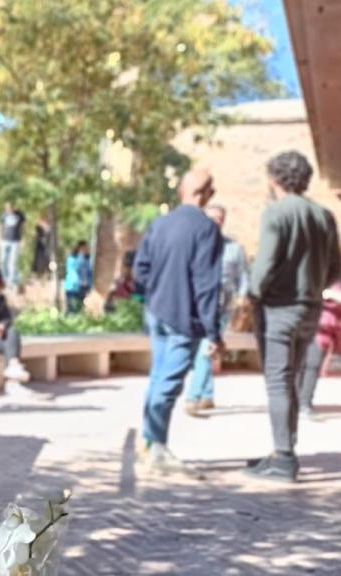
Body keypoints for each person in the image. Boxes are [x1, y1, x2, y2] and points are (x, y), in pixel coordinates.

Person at [247, 151, 341, 482]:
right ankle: (282, 449)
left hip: (278, 308)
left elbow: (264, 266)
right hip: (310, 309)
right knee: (292, 378)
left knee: (277, 381)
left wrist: (254, 294)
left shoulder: (276, 213)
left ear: (276, 179)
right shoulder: (324, 215)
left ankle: (284, 458)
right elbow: (335, 270)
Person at [134, 168, 223, 473]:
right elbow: (207, 284)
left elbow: (140, 271)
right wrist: (214, 331)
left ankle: (148, 442)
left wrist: (155, 295)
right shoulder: (206, 229)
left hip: (157, 312)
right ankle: (156, 448)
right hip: (184, 318)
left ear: (182, 191)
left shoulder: (160, 224)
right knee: (168, 383)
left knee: (158, 377)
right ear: (207, 194)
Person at [184, 204, 250, 415]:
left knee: (207, 349)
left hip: (222, 305)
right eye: (212, 217)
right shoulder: (194, 245)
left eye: (220, 218)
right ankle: (207, 394)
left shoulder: (234, 248)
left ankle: (192, 398)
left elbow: (244, 276)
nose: (216, 221)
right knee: (198, 350)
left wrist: (241, 299)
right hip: (196, 305)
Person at [298, 281, 341, 418]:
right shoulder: (309, 274)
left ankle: (304, 402)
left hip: (323, 330)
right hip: (303, 324)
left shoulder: (336, 282)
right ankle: (297, 400)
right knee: (301, 364)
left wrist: (330, 294)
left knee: (313, 365)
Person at [0, 202, 26, 286]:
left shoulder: (19, 215)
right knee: (3, 260)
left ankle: (10, 281)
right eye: (7, 208)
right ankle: (4, 278)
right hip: (5, 240)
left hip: (15, 241)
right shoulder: (4, 215)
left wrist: (23, 239)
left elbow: (23, 227)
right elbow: (1, 226)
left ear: (13, 207)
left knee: (13, 261)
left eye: (10, 208)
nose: (9, 210)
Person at [63, 241, 92, 314]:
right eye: (84, 248)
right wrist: (80, 256)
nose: (86, 249)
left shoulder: (88, 259)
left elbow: (89, 273)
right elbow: (74, 269)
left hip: (83, 288)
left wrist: (89, 286)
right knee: (72, 309)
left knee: (79, 309)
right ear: (80, 248)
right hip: (72, 288)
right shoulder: (72, 258)